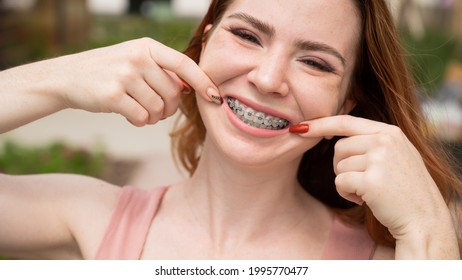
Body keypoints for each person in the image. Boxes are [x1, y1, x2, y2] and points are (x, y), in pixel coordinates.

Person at [0, 0, 461, 260]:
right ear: (202, 46)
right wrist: (55, 80)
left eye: (315, 62)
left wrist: (430, 229)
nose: (267, 78)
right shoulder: (87, 216)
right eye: (246, 35)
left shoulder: (385, 263)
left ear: (347, 104)